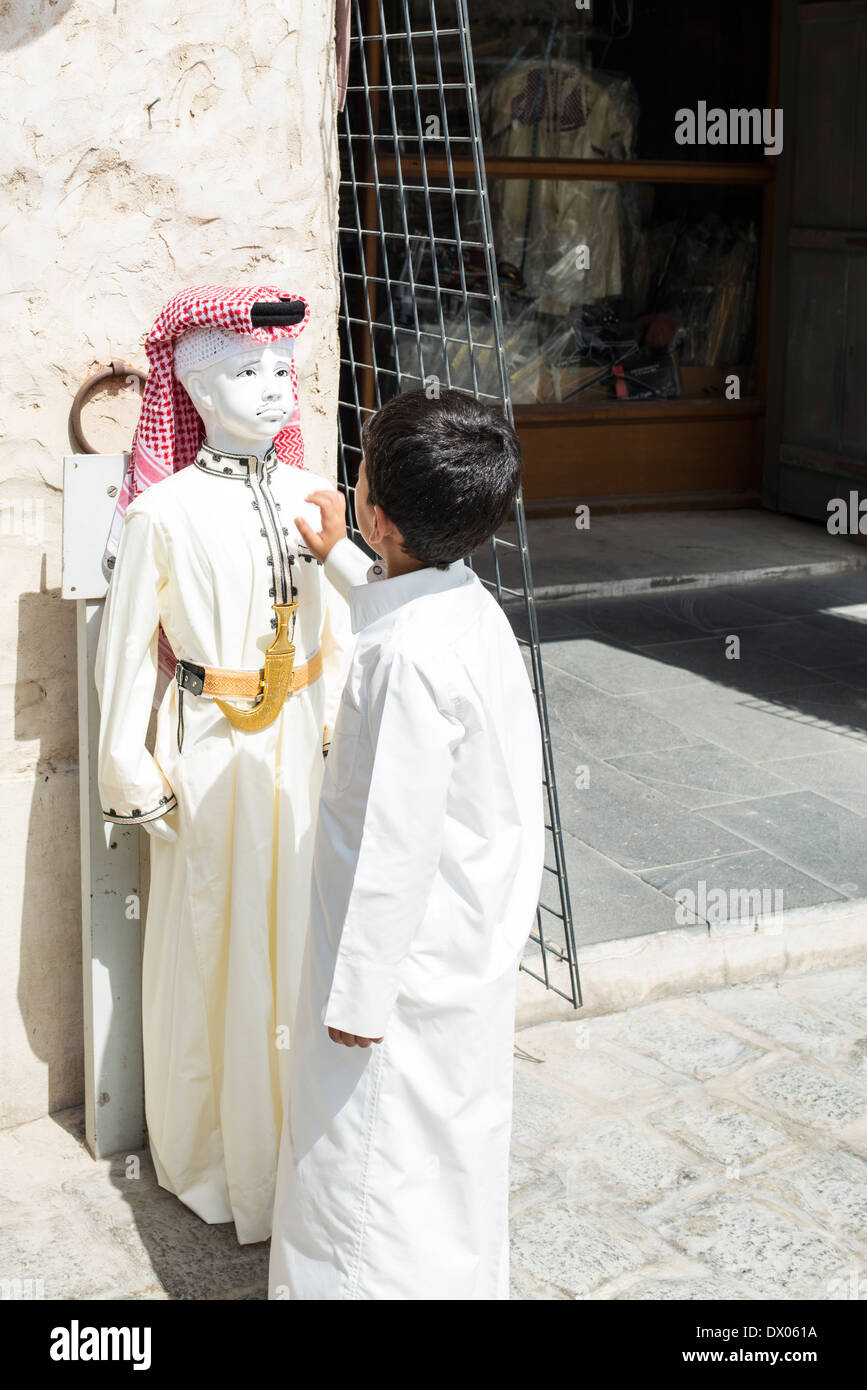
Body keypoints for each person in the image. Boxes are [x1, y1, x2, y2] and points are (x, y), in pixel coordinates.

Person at [268, 387, 545, 1300]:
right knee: (446, 1156)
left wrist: (355, 999)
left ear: (379, 515)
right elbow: (404, 605)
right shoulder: (464, 606)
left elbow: (391, 840)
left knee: (368, 1175)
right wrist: (343, 558)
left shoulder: (405, 664)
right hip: (459, 950)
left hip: (398, 973)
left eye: (360, 478)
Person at [95, 289, 356, 1244]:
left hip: (300, 752)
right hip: (209, 755)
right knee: (218, 944)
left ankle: (300, 1146)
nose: (274, 390)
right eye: (246, 371)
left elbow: (344, 631)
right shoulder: (161, 513)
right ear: (193, 390)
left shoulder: (313, 498)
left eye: (282, 370)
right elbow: (123, 652)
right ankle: (221, 1160)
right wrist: (131, 769)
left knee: (299, 942)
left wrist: (342, 736)